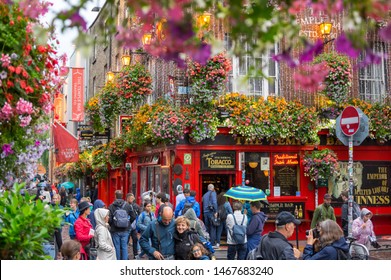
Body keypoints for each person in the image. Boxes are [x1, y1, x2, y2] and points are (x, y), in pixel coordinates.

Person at [108, 190, 132, 260]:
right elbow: (133, 216)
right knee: (124, 247)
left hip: (115, 230)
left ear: (115, 196)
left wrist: (113, 224)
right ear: (122, 196)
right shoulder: (127, 205)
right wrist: (127, 223)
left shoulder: (111, 206)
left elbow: (110, 219)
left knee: (117, 247)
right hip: (125, 230)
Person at [126, 193, 142, 259]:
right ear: (127, 198)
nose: (133, 200)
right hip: (127, 226)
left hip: (134, 227)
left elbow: (139, 213)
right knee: (126, 241)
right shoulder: (125, 205)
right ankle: (125, 255)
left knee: (135, 240)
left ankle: (135, 254)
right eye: (131, 198)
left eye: (133, 198)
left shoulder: (135, 206)